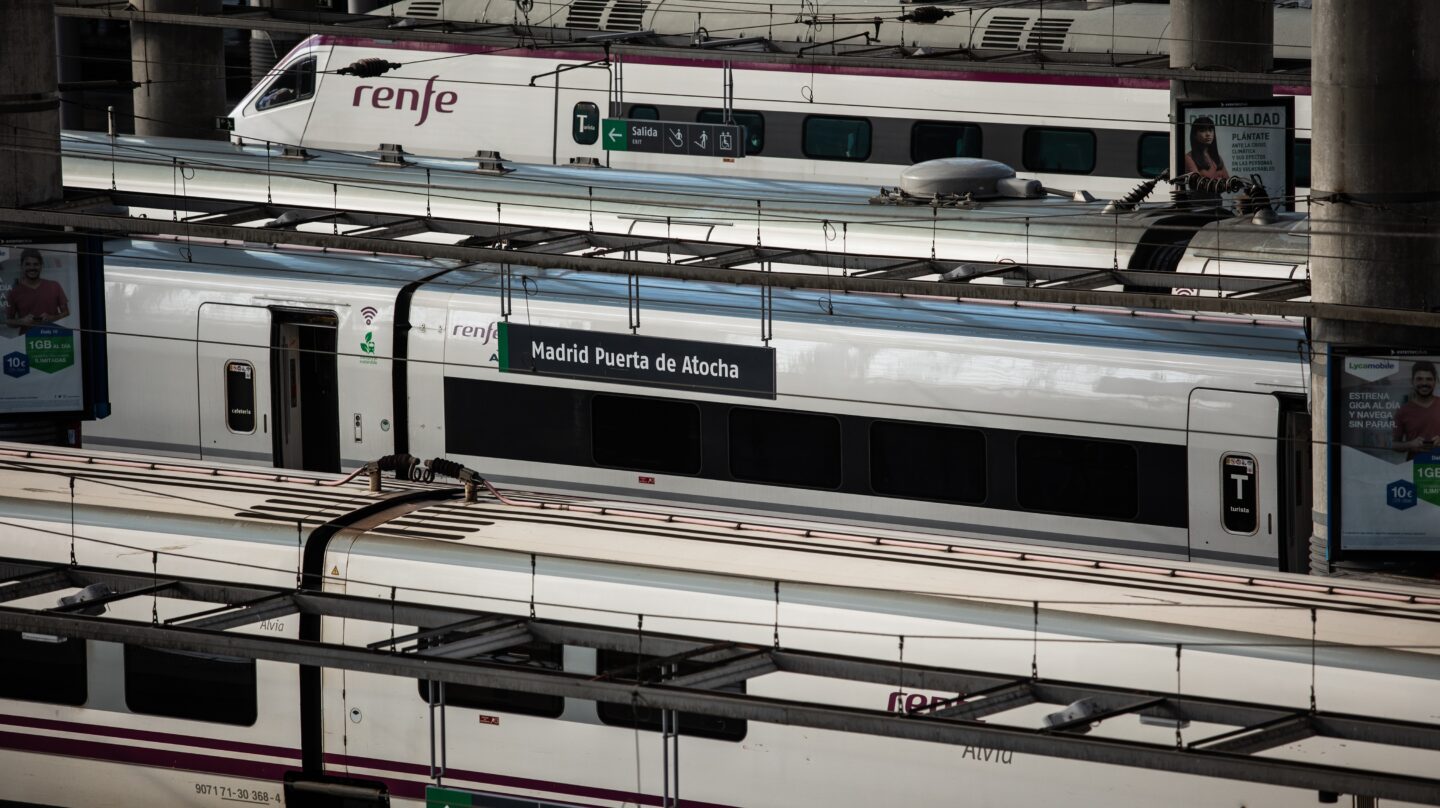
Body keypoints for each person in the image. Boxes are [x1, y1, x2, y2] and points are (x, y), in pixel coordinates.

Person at [5, 248, 69, 336]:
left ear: (41, 265)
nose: (32, 268)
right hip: (26, 342)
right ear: (21, 266)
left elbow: (66, 313)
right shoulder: (14, 292)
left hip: (54, 339)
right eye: (28, 264)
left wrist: (52, 318)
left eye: (36, 264)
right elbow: (8, 321)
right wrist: (22, 321)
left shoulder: (54, 286)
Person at [1392, 360, 1440, 459]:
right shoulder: (1402, 411)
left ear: (1435, 381)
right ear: (1412, 381)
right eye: (1419, 379)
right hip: (1414, 468)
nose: (1424, 383)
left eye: (1429, 379)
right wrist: (1410, 445)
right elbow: (1394, 444)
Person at [1183, 117, 1230, 181]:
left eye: (1210, 130)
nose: (1208, 134)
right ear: (1194, 135)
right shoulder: (1189, 158)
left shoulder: (1217, 157)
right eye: (1202, 131)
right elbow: (1198, 184)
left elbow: (1228, 182)